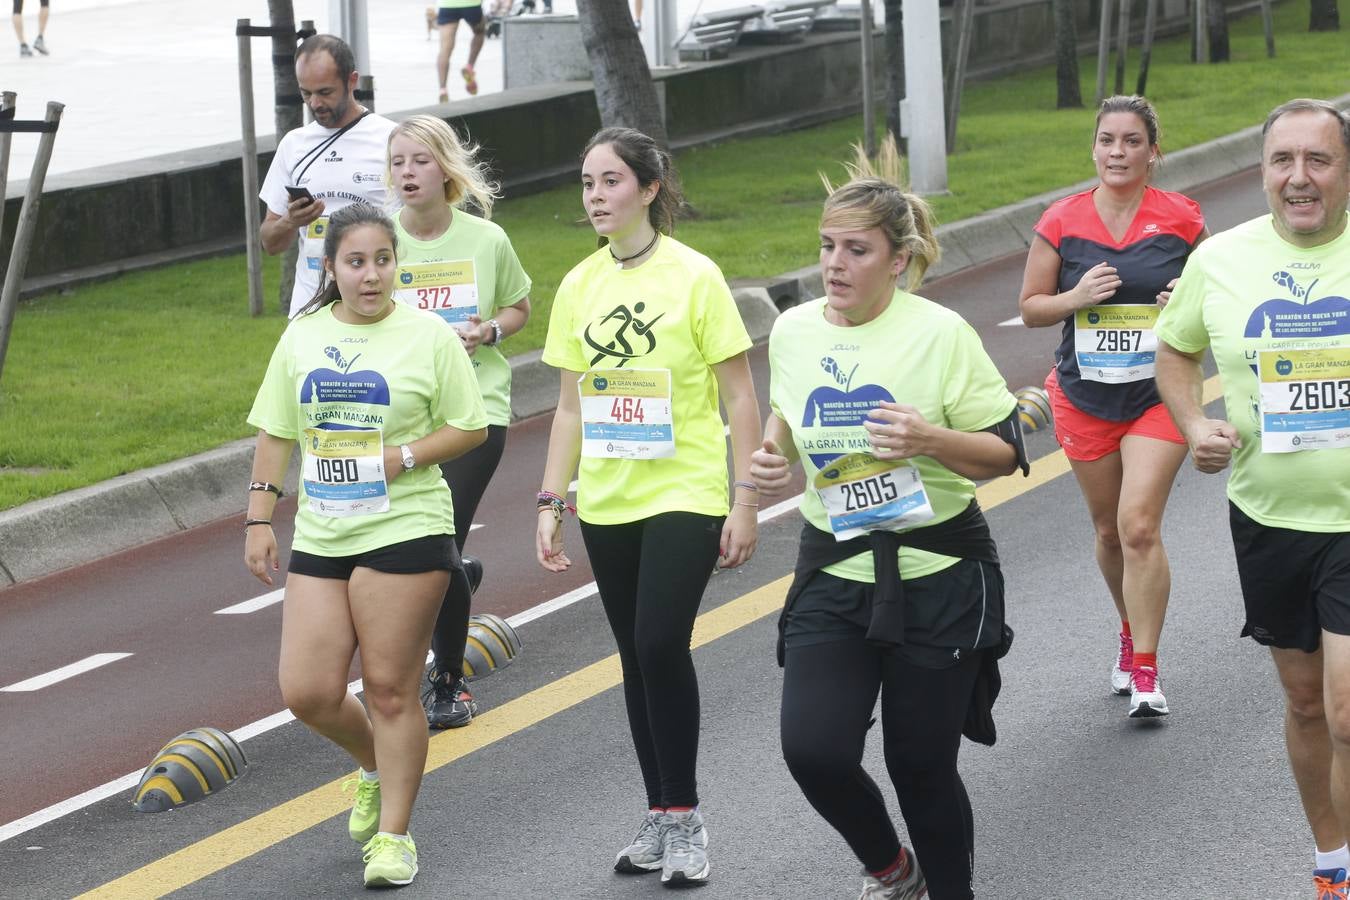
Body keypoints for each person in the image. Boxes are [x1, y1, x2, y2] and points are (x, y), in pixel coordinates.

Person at [750, 137, 1025, 900]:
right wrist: (772, 457)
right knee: (814, 750)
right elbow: (787, 404)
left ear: (898, 260)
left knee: (921, 767)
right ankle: (891, 868)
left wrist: (928, 438)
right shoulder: (797, 329)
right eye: (826, 247)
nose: (834, 264)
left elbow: (1004, 453)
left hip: (939, 571)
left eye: (856, 250)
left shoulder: (940, 335)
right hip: (835, 563)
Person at [534, 126, 759, 886]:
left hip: (685, 489)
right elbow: (569, 407)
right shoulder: (578, 286)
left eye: (610, 182)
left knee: (662, 642)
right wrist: (551, 498)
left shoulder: (695, 277)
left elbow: (739, 394)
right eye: (588, 183)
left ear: (650, 189)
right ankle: (660, 813)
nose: (595, 197)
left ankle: (688, 817)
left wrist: (746, 500)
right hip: (607, 498)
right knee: (634, 655)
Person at [243, 203, 488, 888]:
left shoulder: (428, 336)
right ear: (331, 267)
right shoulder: (303, 336)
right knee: (308, 691)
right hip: (324, 528)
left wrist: (402, 455)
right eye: (356, 262)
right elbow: (276, 432)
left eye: (383, 260)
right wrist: (259, 520)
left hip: (406, 525)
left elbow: (469, 427)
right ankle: (376, 766)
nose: (372, 275)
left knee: (388, 688)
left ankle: (393, 839)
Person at [1155, 98, 1350, 899]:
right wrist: (1194, 420)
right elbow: (1174, 350)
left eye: (1319, 161)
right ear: (1264, 171)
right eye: (1283, 161)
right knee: (1306, 705)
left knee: (1345, 712)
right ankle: (1332, 860)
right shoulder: (1220, 259)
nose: (1298, 178)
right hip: (1267, 515)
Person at [1018, 95, 1207, 718]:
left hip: (1160, 395)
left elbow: (1214, 294)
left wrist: (1185, 294)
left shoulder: (1181, 218)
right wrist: (1074, 297)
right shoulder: (1063, 219)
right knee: (1107, 531)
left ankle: (1147, 672)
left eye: (1131, 141)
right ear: (1094, 148)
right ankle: (1128, 633)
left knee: (1138, 526)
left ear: (1154, 152)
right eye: (1106, 140)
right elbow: (1030, 308)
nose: (1117, 152)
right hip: (1084, 395)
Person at [385, 114, 532, 729]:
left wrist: (488, 330)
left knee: (438, 545)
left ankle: (447, 682)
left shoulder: (485, 240)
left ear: (445, 168)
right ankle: (459, 571)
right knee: (432, 548)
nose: (407, 173)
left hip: (476, 410)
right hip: (403, 417)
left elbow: (519, 306)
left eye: (419, 161)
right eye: (397, 163)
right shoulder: (379, 240)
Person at [259, 35, 396, 317]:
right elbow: (269, 242)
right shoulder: (293, 145)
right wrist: (289, 221)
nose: (315, 103)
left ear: (352, 81)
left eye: (325, 92)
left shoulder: (392, 139)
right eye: (306, 93)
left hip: (378, 305)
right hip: (310, 307)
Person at [434, 0, 486, 103]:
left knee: (444, 49)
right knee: (480, 32)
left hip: (447, 5)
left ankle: (443, 89)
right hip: (471, 4)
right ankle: (469, 67)